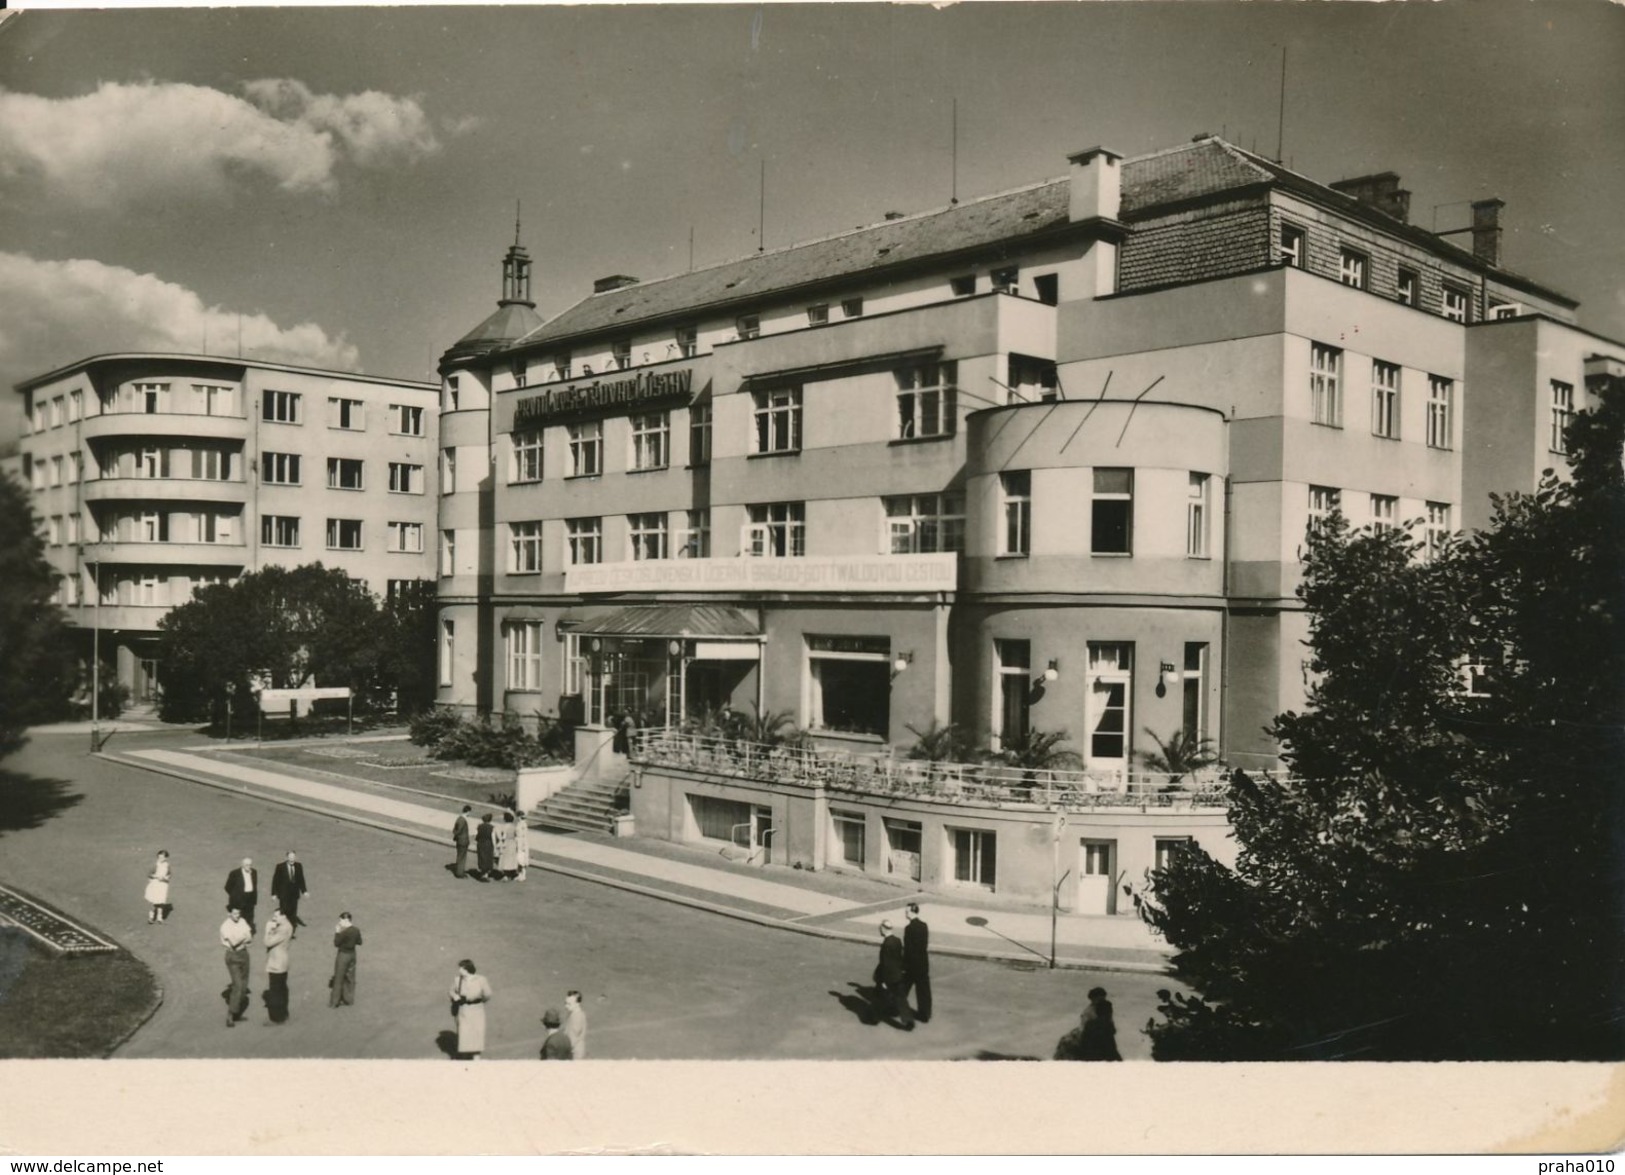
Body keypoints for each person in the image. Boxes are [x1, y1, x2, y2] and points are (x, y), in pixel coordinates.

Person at [450, 959, 492, 1059]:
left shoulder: (481, 979)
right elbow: (451, 991)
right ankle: (465, 1059)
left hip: (477, 1010)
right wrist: (454, 996)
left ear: (466, 968)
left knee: (477, 1033)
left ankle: (476, 1058)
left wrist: (479, 1002)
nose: (459, 970)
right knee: (464, 1034)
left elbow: (488, 994)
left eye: (461, 968)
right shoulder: (457, 980)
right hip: (463, 1010)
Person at [874, 919, 912, 1029]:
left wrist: (884, 981)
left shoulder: (886, 943)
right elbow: (899, 958)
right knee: (901, 999)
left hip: (888, 976)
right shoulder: (897, 940)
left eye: (880, 928)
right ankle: (908, 1021)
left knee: (878, 995)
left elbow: (885, 963)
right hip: (898, 974)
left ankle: (875, 1018)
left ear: (883, 929)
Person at [220, 906, 253, 1027]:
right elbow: (233, 942)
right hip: (232, 956)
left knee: (244, 985)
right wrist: (245, 936)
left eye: (239, 913)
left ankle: (237, 1013)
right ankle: (230, 1015)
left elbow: (250, 937)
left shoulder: (243, 921)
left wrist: (244, 937)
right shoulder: (225, 926)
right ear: (229, 914)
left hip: (244, 954)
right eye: (235, 914)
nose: (237, 916)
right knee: (237, 985)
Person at [901, 901, 932, 1024]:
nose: (905, 913)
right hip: (923, 963)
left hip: (911, 964)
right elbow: (923, 945)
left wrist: (904, 964)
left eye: (907, 911)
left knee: (902, 988)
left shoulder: (908, 928)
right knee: (924, 990)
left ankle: (895, 1008)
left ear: (911, 912)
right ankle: (925, 1014)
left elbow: (908, 949)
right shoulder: (924, 926)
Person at [263, 905, 292, 1024]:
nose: (274, 918)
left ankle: (276, 1017)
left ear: (283, 916)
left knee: (275, 990)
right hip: (283, 961)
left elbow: (267, 942)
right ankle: (284, 1014)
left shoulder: (283, 928)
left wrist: (268, 930)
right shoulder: (287, 925)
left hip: (276, 963)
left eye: (276, 916)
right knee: (282, 988)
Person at [1078, 987, 1123, 1061]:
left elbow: (1110, 1023)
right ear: (1093, 998)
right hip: (1093, 1039)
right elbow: (1084, 1028)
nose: (1102, 1000)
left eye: (1103, 998)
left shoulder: (1104, 1007)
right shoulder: (1089, 1012)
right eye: (1099, 998)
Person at [270, 851, 310, 934]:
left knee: (293, 913)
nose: (292, 859)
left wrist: (304, 891)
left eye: (293, 857)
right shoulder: (280, 867)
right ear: (286, 858)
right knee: (284, 913)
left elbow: (301, 880)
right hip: (283, 895)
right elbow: (275, 881)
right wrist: (274, 893)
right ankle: (282, 931)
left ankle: (291, 932)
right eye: (290, 857)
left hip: (294, 895)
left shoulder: (298, 866)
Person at [330, 911, 362, 1007]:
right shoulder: (356, 930)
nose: (339, 923)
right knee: (350, 977)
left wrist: (337, 932)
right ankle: (349, 999)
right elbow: (359, 942)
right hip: (352, 954)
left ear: (345, 920)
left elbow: (336, 943)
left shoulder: (344, 932)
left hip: (343, 955)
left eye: (341, 920)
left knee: (339, 978)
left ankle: (335, 1002)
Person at [224, 857, 260, 932]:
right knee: (238, 917)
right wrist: (235, 895)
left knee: (249, 916)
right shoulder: (234, 873)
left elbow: (254, 885)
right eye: (246, 865)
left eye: (250, 865)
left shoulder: (254, 872)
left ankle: (247, 933)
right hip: (239, 899)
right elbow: (227, 887)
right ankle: (237, 933)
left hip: (250, 898)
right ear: (242, 865)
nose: (248, 867)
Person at [144, 850, 171, 925]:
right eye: (159, 857)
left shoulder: (167, 865)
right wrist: (156, 876)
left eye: (162, 857)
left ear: (166, 858)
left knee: (161, 902)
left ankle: (159, 917)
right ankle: (151, 917)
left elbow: (169, 874)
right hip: (155, 884)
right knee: (153, 901)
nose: (160, 859)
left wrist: (165, 878)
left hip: (163, 885)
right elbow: (149, 874)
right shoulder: (155, 864)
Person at [562, 989, 587, 1059]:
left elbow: (572, 1039)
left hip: (574, 1054)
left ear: (577, 1004)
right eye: (565, 1003)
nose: (566, 1006)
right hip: (576, 1052)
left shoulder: (576, 1017)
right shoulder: (576, 1014)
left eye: (569, 1004)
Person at [496, 811, 518, 881]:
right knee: (511, 858)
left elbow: (503, 836)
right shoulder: (514, 827)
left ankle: (505, 874)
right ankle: (511, 873)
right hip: (513, 843)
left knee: (505, 858)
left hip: (506, 843)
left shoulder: (504, 827)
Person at [452, 805, 472, 878]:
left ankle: (459, 871)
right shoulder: (463, 820)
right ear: (468, 811)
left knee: (460, 856)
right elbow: (458, 830)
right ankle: (460, 872)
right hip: (463, 840)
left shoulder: (459, 818)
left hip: (460, 840)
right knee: (462, 857)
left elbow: (455, 830)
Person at [474, 814, 496, 881]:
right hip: (488, 844)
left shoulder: (479, 826)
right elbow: (493, 838)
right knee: (488, 858)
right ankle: (486, 874)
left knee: (481, 857)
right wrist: (495, 847)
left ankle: (482, 872)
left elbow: (477, 836)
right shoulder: (492, 827)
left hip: (480, 843)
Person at [512, 809, 530, 882]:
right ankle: (519, 874)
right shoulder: (519, 824)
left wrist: (523, 845)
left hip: (522, 843)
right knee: (518, 859)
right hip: (518, 842)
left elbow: (524, 836)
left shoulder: (523, 825)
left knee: (521, 859)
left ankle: (523, 875)